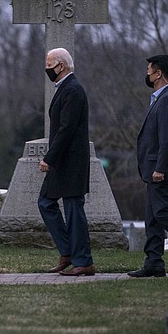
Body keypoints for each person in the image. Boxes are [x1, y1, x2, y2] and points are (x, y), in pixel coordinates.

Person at [129, 54, 168, 278]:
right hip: (158, 169)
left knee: (163, 212)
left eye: (149, 70)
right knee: (153, 216)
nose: (146, 74)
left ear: (159, 74)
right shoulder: (163, 98)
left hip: (165, 170)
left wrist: (160, 168)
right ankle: (153, 262)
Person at [38, 48, 95, 276]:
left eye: (50, 64)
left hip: (70, 162)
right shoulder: (65, 89)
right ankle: (68, 252)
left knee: (73, 210)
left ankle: (84, 261)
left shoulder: (73, 89)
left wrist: (49, 158)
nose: (47, 68)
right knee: (45, 202)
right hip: (63, 163)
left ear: (61, 65)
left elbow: (67, 129)